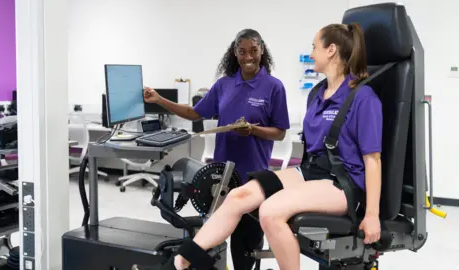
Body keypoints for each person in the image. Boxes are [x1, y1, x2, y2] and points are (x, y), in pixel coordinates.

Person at [162, 23, 383, 270]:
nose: (311, 53)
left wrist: (372, 215)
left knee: (270, 211)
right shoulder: (318, 93)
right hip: (310, 171)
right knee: (238, 196)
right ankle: (181, 261)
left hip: (343, 183)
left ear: (331, 50)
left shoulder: (364, 98)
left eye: (314, 47)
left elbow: (372, 160)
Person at [143, 29, 290, 270]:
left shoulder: (274, 87)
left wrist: (253, 130)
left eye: (254, 50)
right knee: (210, 244)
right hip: (220, 180)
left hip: (252, 180)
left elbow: (280, 132)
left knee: (245, 249)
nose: (248, 57)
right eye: (242, 52)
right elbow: (193, 113)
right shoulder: (224, 85)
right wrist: (159, 99)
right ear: (235, 53)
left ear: (262, 50)